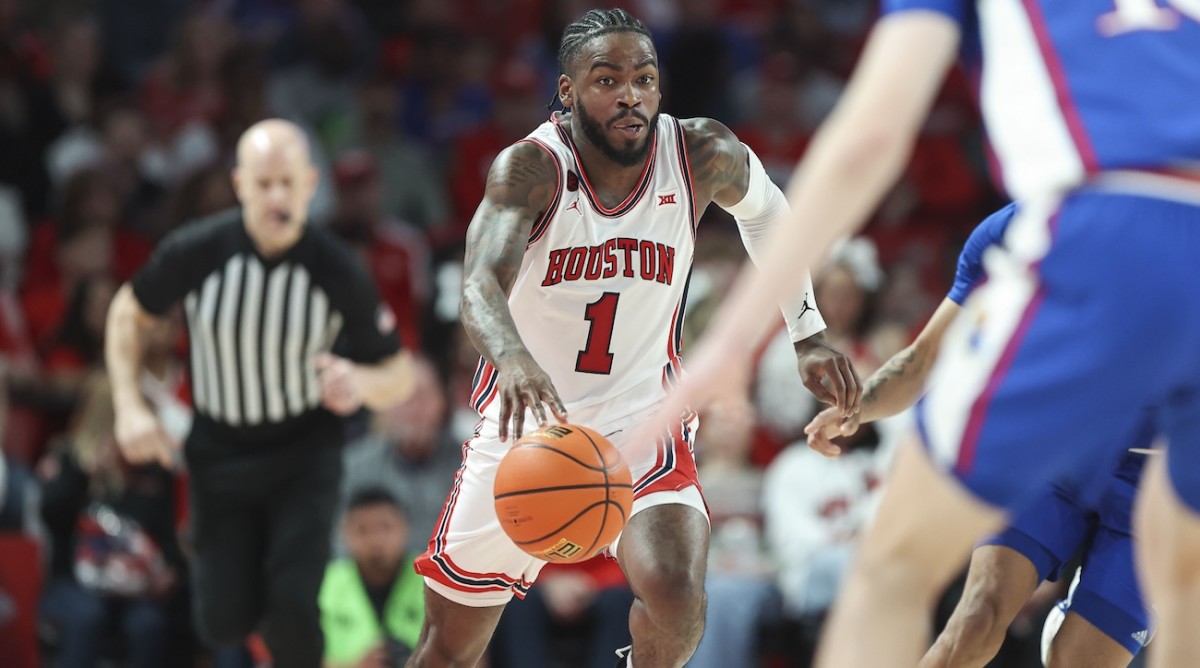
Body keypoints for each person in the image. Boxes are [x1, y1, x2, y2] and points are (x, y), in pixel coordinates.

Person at [649, 2, 1200, 664]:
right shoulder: (1003, 237)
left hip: (1109, 292)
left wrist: (732, 338)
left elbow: (870, 137)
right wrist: (858, 408)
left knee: (900, 577)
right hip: (1066, 450)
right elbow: (922, 361)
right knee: (986, 611)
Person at [405, 9, 860, 668]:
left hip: (641, 419)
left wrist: (808, 332)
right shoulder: (530, 170)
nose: (630, 95)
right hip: (527, 428)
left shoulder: (700, 153)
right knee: (447, 650)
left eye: (644, 79)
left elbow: (768, 215)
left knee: (677, 600)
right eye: (607, 79)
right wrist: (510, 357)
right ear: (566, 92)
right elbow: (478, 285)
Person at [105, 118, 413, 667]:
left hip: (304, 452)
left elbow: (399, 373)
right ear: (240, 183)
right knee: (222, 619)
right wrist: (128, 407)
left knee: (292, 605)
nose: (277, 196)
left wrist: (361, 382)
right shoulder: (200, 250)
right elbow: (129, 310)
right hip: (218, 449)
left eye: (288, 183)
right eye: (264, 183)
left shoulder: (336, 266)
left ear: (311, 183)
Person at [805, 203, 1153, 667]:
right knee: (976, 618)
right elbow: (925, 358)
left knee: (1077, 660)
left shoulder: (1173, 227)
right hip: (1052, 451)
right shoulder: (1012, 231)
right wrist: (857, 407)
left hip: (1157, 478)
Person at [321, 487, 425, 668]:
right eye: (363, 530)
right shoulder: (324, 584)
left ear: (405, 528)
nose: (375, 540)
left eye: (386, 527)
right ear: (344, 533)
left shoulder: (433, 582)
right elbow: (297, 657)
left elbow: (471, 657)